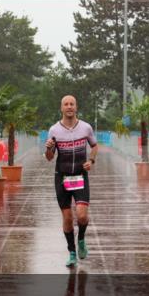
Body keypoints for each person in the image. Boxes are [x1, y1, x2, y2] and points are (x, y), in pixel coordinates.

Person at [44, 95, 98, 267]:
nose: (69, 107)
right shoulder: (54, 130)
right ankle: (72, 252)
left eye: (72, 104)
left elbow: (94, 146)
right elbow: (49, 158)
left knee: (82, 215)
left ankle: (81, 239)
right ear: (61, 108)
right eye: (66, 104)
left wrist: (91, 160)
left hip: (80, 176)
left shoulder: (86, 127)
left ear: (76, 107)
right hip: (62, 177)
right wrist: (48, 149)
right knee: (67, 218)